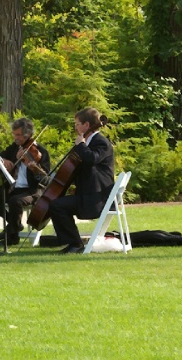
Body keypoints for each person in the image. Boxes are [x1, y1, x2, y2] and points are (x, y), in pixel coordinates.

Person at [48, 107, 115, 254]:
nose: (75, 127)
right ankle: (74, 243)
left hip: (96, 198)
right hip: (87, 196)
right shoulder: (87, 143)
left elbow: (92, 159)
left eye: (77, 124)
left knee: (57, 206)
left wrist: (81, 145)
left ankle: (75, 244)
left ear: (87, 125)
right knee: (56, 205)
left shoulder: (100, 142)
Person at [0, 118, 51, 246]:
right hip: (13, 188)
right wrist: (3, 161)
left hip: (32, 190)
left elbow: (45, 180)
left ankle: (12, 237)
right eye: (14, 134)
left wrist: (34, 169)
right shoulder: (14, 148)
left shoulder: (42, 152)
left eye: (19, 135)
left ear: (29, 135)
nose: (16, 138)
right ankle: (13, 223)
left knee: (15, 201)